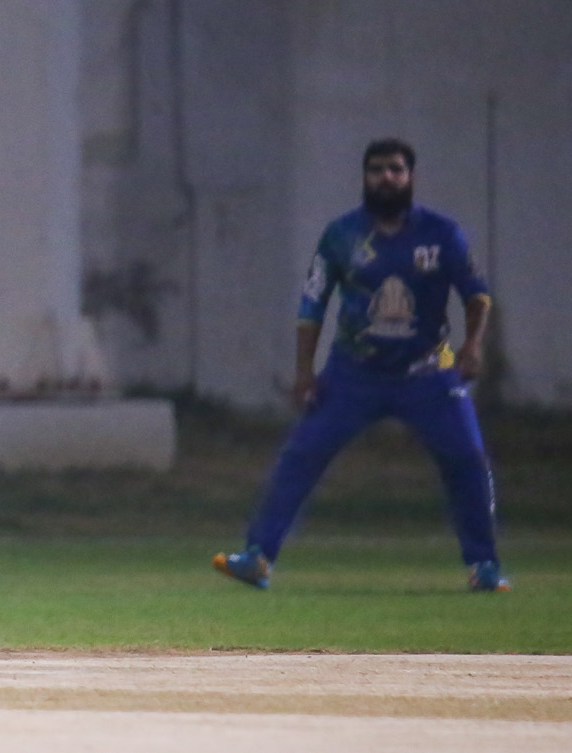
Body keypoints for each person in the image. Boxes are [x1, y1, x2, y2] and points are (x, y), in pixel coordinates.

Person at [213, 139, 508, 592]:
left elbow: (477, 294)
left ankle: (484, 565)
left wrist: (472, 346)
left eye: (395, 169)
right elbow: (312, 304)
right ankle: (257, 557)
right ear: (364, 177)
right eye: (376, 170)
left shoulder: (442, 233)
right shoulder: (341, 235)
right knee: (301, 455)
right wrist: (304, 371)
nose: (386, 177)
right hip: (354, 370)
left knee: (466, 457)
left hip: (430, 367)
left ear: (411, 177)